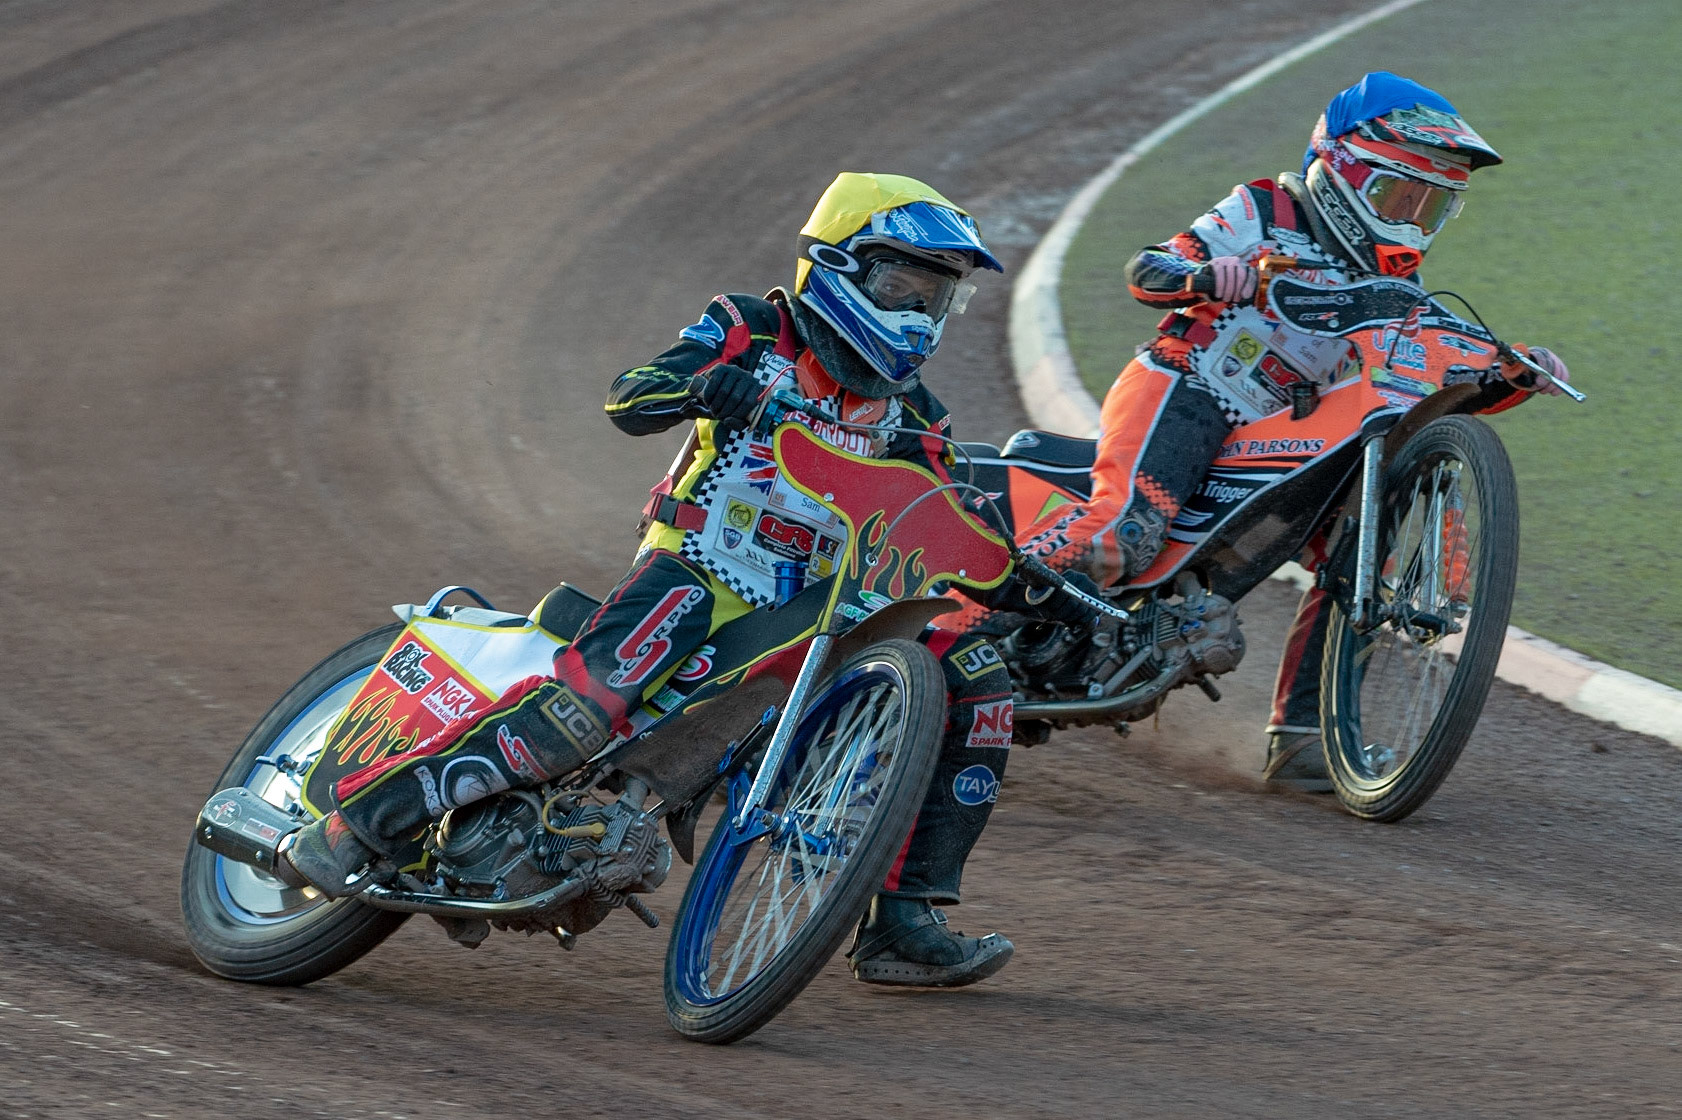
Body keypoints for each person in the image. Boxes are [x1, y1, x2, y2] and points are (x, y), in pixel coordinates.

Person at [277, 172, 1083, 988]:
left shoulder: (918, 418)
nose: (919, 313)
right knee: (591, 708)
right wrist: (703, 386)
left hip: (817, 606)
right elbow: (631, 397)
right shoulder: (754, 328)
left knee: (978, 675)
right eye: (902, 285)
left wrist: (1036, 579)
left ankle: (901, 921)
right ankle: (360, 824)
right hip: (699, 565)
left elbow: (958, 515)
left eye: (936, 297)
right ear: (837, 265)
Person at [979, 72, 1570, 791]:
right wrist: (1210, 276)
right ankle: (961, 635)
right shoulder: (1268, 208)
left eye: (1430, 205)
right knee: (1121, 534)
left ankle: (1301, 739)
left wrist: (1513, 369)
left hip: (1275, 432)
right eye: (1398, 196)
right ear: (1345, 175)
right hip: (1191, 386)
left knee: (1364, 556)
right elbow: (1150, 268)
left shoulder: (1401, 294)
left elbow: (1437, 375)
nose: (1411, 218)